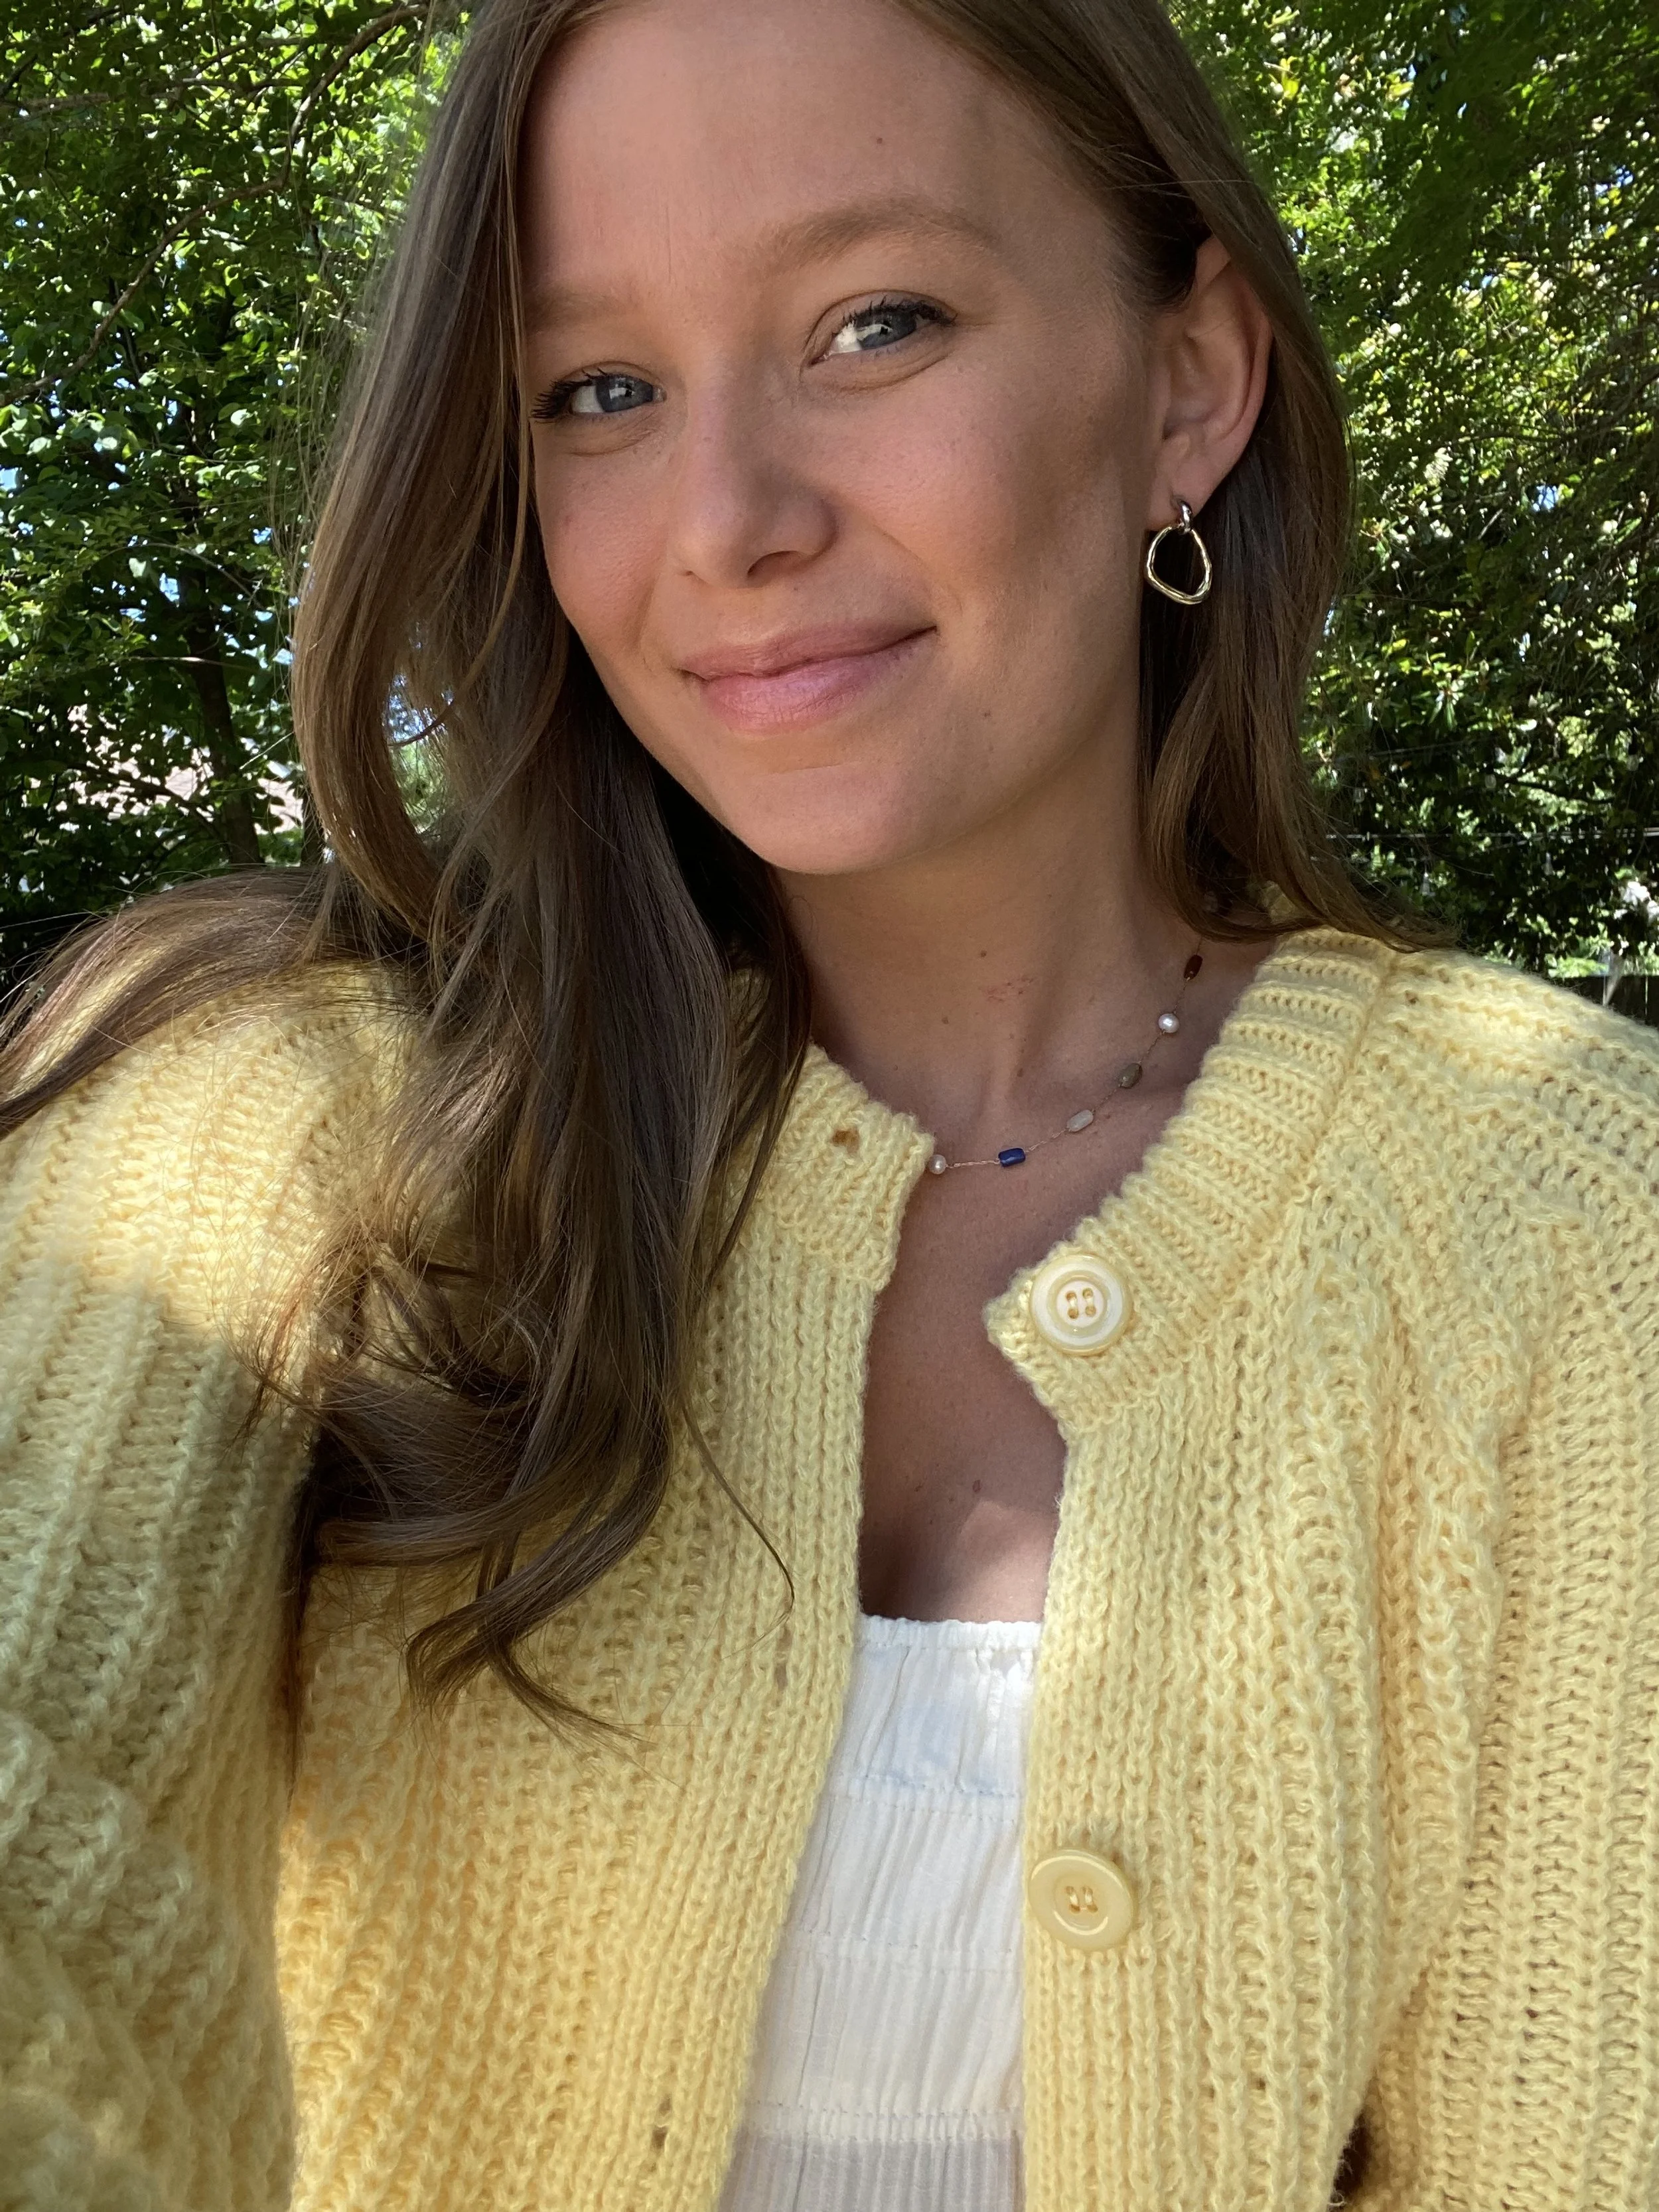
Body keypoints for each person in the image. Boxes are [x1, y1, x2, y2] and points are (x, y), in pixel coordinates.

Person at [1, 0, 1655, 2205]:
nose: (728, 519)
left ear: (1187, 387)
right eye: (599, 389)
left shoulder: (1565, 1207)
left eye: (875, 324)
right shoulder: (282, 1104)